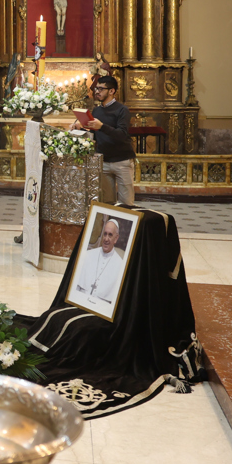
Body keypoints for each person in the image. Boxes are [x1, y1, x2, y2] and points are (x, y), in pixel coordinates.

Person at [84, 75, 135, 205]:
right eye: (96, 88)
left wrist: (101, 126)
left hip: (122, 161)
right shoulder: (96, 111)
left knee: (126, 202)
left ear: (111, 91)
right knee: (106, 202)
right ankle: (108, 226)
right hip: (103, 161)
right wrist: (81, 128)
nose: (97, 92)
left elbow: (122, 134)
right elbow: (94, 134)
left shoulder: (122, 110)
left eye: (101, 89)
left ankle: (124, 225)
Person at [73, 217, 126, 305]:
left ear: (116, 238)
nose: (106, 239)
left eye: (110, 235)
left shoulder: (120, 265)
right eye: (105, 234)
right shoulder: (87, 255)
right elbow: (76, 288)